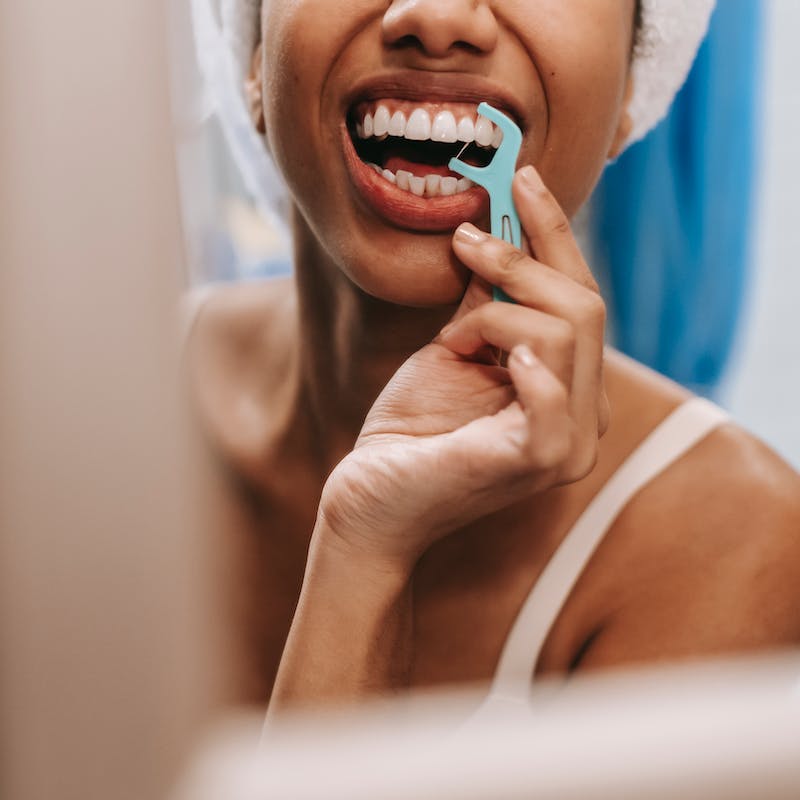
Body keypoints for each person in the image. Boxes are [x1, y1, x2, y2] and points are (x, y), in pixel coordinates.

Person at [186, 0, 800, 713]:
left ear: (634, 84)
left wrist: (369, 544)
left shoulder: (738, 550)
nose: (440, 17)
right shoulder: (45, 415)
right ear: (253, 51)